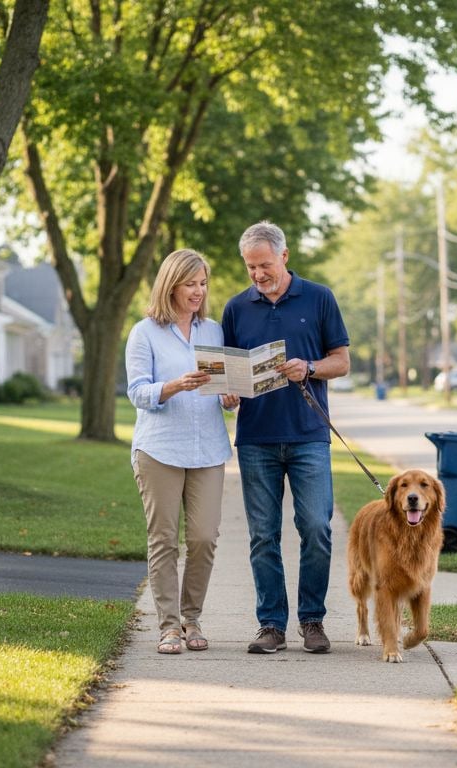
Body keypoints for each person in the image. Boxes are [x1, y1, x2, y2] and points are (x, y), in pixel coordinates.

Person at [221, 221, 351, 654]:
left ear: (284, 256)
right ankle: (271, 624)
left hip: (309, 435)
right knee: (263, 535)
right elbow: (227, 371)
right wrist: (227, 393)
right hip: (256, 438)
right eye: (250, 267)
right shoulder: (237, 309)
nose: (257, 274)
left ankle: (312, 620)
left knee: (316, 527)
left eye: (264, 265)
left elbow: (342, 361)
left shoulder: (319, 298)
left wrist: (309, 368)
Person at [126, 249, 239, 654]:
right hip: (160, 450)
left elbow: (221, 389)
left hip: (208, 448)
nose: (198, 291)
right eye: (190, 283)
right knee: (164, 540)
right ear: (170, 284)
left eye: (203, 283)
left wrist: (229, 398)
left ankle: (193, 618)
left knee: (205, 537)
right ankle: (169, 626)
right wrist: (175, 385)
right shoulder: (145, 332)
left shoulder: (213, 332)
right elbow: (137, 392)